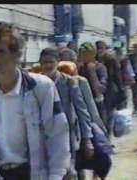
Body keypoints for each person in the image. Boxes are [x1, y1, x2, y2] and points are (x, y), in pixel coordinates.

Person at [0, 22, 71, 180]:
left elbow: (57, 135)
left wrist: (56, 175)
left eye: (1, 52)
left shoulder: (41, 88)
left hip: (31, 173)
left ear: (17, 55)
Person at [39, 48, 94, 180]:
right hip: (41, 136)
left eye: (51, 62)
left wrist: (87, 139)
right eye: (44, 62)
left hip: (66, 136)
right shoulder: (34, 83)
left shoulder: (69, 82)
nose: (47, 65)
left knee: (67, 172)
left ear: (58, 62)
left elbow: (82, 111)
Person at [57, 61, 112, 180]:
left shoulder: (80, 82)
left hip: (78, 131)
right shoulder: (50, 83)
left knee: (77, 164)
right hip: (60, 133)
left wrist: (96, 131)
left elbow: (89, 110)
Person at [78, 42, 108, 128]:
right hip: (81, 103)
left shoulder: (100, 68)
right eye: (81, 54)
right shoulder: (78, 67)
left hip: (96, 103)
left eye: (86, 54)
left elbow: (100, 90)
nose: (83, 56)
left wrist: (92, 73)